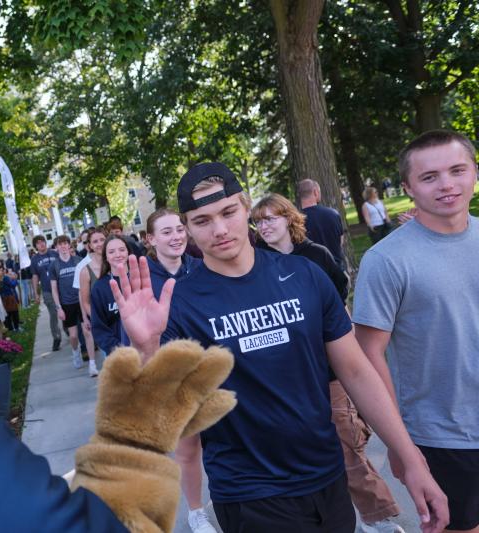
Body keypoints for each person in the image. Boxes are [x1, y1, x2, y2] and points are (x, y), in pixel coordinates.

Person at [108, 162, 447, 533]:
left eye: (228, 212)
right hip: (250, 494)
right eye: (202, 221)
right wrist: (146, 347)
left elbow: (355, 371)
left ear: (245, 207)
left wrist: (408, 454)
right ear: (188, 228)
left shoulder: (304, 276)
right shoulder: (180, 305)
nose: (219, 229)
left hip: (327, 478)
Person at [252, 194, 404, 533]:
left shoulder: (316, 256)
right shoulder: (256, 265)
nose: (264, 226)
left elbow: (338, 299)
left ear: (288, 219)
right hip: (286, 377)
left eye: (270, 218)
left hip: (330, 370)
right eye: (259, 221)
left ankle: (376, 516)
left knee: (348, 443)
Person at [354, 130, 479, 533]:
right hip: (444, 436)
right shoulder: (386, 260)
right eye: (430, 177)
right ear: (407, 187)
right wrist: (400, 445)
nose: (446, 184)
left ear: (474, 171)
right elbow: (368, 356)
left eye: (457, 170)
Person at [144, 208, 210, 533]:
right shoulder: (144, 280)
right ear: (151, 239)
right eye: (166, 232)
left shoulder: (203, 268)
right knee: (189, 447)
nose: (176, 236)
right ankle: (196, 512)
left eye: (179, 229)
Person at [90, 235, 131, 357]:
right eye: (111, 252)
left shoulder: (141, 277)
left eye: (122, 250)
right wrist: (119, 349)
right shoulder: (100, 288)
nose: (118, 255)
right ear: (106, 257)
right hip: (119, 354)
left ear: (128, 252)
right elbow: (99, 327)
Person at [49, 235, 84, 369]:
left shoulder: (78, 261)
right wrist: (59, 308)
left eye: (65, 244)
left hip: (81, 301)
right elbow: (54, 289)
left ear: (69, 245)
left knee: (88, 332)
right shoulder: (54, 265)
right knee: (73, 336)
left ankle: (91, 360)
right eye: (60, 244)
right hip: (67, 304)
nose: (63, 246)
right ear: (56, 247)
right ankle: (76, 352)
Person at [298, 178, 347, 271]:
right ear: (315, 192)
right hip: (336, 269)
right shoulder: (333, 214)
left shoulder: (296, 221)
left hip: (313, 272)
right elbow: (340, 241)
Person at [78, 228, 107, 377]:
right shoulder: (84, 270)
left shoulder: (117, 262)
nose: (99, 244)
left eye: (102, 240)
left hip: (124, 318)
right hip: (102, 321)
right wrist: (95, 319)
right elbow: (85, 300)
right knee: (110, 357)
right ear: (89, 245)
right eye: (95, 241)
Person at [30, 235, 62, 351]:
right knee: (54, 313)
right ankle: (56, 337)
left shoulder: (55, 253)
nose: (41, 244)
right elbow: (34, 277)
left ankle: (69, 329)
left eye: (42, 241)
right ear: (36, 246)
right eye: (38, 243)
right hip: (47, 290)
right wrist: (36, 293)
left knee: (66, 310)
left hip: (61, 288)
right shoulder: (35, 259)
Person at [0, 266, 21, 332]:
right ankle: (16, 328)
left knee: (8, 314)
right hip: (9, 297)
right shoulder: (5, 277)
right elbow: (12, 285)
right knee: (14, 313)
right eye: (1, 270)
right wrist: (15, 279)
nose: (2, 271)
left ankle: (10, 328)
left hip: (4, 298)